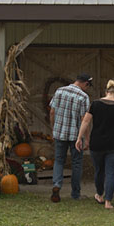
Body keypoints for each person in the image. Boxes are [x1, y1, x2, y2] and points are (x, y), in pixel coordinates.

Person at [76, 79, 114, 210]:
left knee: (99, 171)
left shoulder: (95, 104)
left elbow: (85, 122)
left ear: (106, 92)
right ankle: (108, 202)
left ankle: (99, 195)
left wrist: (79, 138)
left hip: (97, 144)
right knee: (111, 172)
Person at [48, 73, 92, 202]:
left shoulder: (59, 91)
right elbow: (85, 120)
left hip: (59, 133)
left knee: (59, 161)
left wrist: (53, 128)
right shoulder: (83, 96)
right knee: (76, 163)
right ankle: (75, 194)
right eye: (88, 86)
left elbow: (52, 112)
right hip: (76, 136)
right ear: (86, 83)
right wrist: (87, 138)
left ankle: (56, 185)